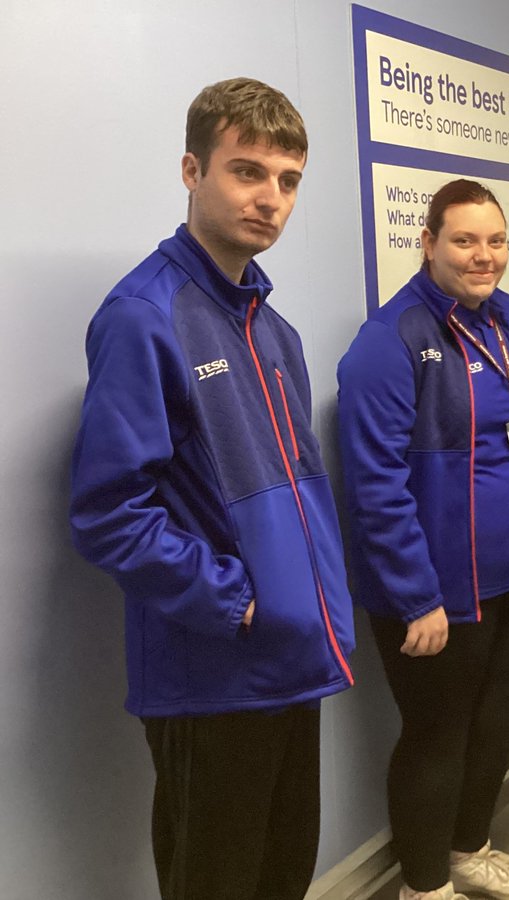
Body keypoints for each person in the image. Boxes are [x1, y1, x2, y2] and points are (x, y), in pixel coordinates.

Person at [68, 78, 356, 900]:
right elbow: (108, 513)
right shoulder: (144, 315)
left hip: (292, 662)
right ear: (193, 171)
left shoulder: (273, 328)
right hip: (215, 671)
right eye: (247, 171)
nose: (270, 199)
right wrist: (239, 603)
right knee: (215, 881)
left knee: (283, 874)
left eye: (288, 180)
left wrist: (300, 613)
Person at [337, 179, 509, 900]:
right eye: (466, 241)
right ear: (429, 243)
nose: (485, 256)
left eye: (497, 240)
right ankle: (424, 885)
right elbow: (375, 488)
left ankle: (470, 848)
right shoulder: (391, 342)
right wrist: (416, 597)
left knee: (494, 719)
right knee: (436, 736)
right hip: (440, 594)